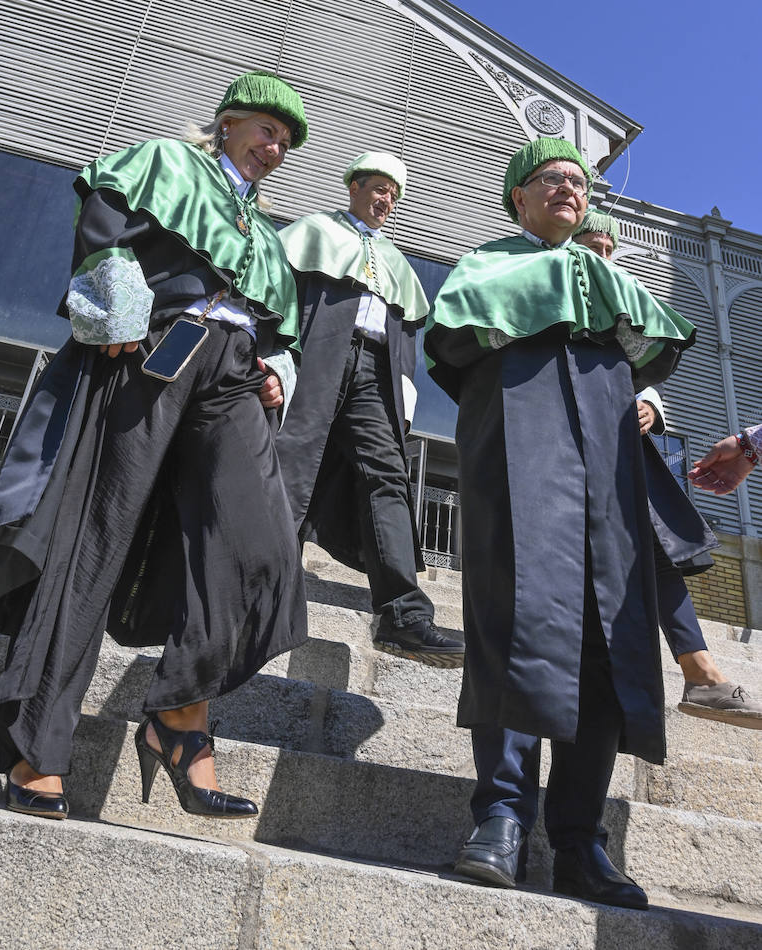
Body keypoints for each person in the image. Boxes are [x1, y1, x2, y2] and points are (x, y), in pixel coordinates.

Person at [0, 70, 310, 822]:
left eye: (286, 142)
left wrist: (275, 364)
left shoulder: (262, 228)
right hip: (154, 346)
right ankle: (37, 750)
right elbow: (102, 225)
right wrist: (118, 306)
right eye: (267, 129)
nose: (275, 147)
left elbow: (277, 318)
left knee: (261, 543)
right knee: (94, 541)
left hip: (231, 372)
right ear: (229, 122)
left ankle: (180, 714)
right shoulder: (166, 161)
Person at [424, 137, 696, 910]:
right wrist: (533, 304)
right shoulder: (486, 264)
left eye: (579, 181)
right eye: (552, 178)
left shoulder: (605, 276)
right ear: (519, 196)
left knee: (608, 639)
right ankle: (502, 817)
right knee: (516, 623)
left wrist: (631, 381)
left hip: (606, 462)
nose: (570, 189)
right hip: (519, 446)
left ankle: (580, 842)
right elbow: (451, 342)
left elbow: (654, 346)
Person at [574, 210, 761, 729]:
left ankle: (700, 673)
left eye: (609, 250)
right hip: (558, 443)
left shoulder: (623, 300)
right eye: (591, 247)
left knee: (655, 546)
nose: (602, 258)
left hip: (618, 445)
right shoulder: (544, 287)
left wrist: (651, 407)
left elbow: (646, 371)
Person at [276, 152, 463, 666]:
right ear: (354, 187)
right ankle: (260, 584)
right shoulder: (313, 231)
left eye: (394, 195)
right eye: (379, 189)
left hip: (375, 370)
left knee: (388, 475)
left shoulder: (397, 264)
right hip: (318, 352)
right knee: (292, 462)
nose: (387, 201)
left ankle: (403, 615)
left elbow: (406, 343)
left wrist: (405, 397)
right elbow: (279, 298)